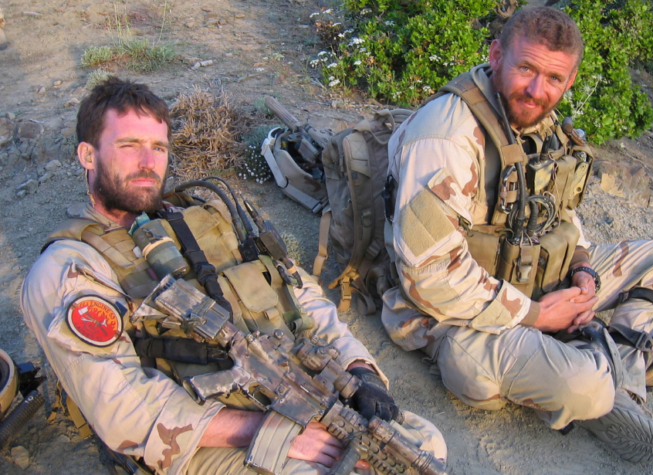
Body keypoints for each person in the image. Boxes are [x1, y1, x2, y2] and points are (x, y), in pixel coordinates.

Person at [21, 77, 446, 475]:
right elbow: (123, 411)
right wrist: (274, 430)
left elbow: (302, 296)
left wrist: (361, 370)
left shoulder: (205, 218)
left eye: (159, 147)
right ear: (88, 155)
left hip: (293, 385)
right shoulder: (70, 269)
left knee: (423, 443)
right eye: (129, 146)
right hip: (199, 433)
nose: (148, 163)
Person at [382, 7, 653, 463]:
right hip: (453, 313)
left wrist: (582, 266)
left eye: (553, 78)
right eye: (526, 68)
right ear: (496, 55)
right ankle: (601, 377)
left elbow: (558, 212)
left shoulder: (542, 121)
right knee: (578, 385)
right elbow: (427, 276)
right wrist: (534, 314)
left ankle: (611, 379)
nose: (536, 90)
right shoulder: (447, 136)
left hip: (534, 277)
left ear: (570, 79)